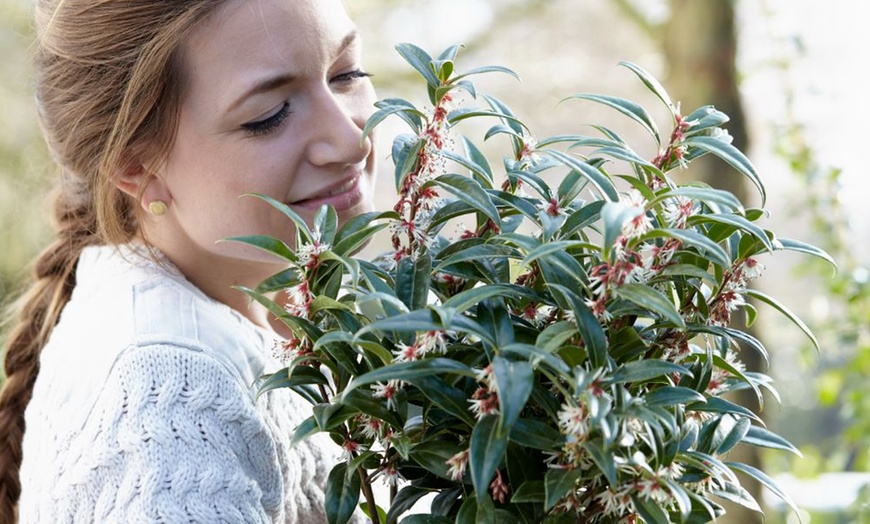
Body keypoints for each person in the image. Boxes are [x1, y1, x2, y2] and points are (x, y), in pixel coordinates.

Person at [0, 0, 377, 521]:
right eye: (268, 116)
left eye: (346, 73)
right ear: (136, 165)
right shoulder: (167, 401)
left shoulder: (269, 299)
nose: (352, 140)